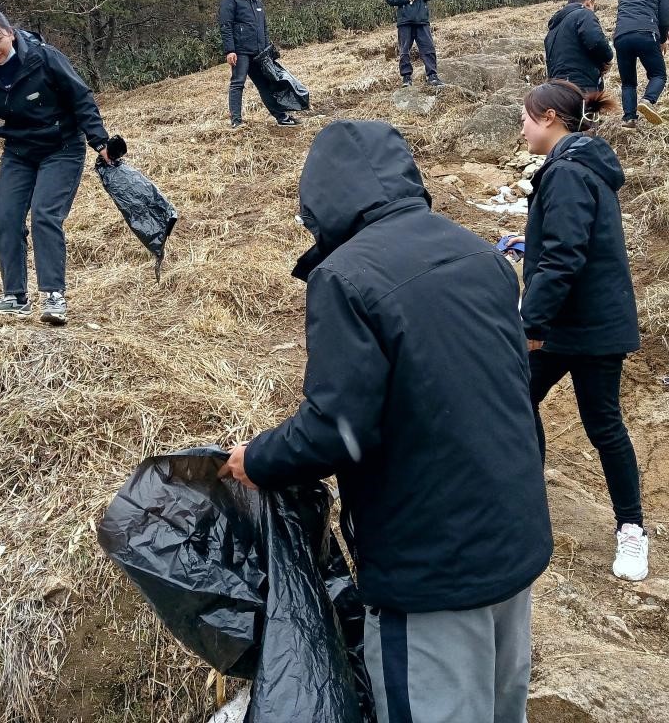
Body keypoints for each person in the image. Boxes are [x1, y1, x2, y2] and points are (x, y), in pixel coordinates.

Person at [218, 120, 552, 723]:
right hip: (513, 534)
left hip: (429, 564)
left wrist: (257, 458)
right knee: (503, 709)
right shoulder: (479, 253)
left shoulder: (345, 278)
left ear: (321, 201)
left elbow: (336, 428)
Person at [517, 79, 648, 582]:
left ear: (549, 117)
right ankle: (529, 498)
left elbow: (564, 255)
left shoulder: (569, 172)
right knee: (517, 400)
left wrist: (531, 322)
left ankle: (632, 530)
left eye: (527, 117)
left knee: (602, 424)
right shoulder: (579, 166)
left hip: (583, 327)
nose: (523, 127)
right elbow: (564, 245)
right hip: (580, 319)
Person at [0, 5, 115, 325]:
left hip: (62, 147)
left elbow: (81, 99)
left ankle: (54, 296)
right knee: (6, 218)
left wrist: (101, 142)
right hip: (19, 153)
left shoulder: (44, 57)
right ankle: (15, 297)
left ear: (10, 33)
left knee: (45, 214)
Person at [218, 0, 300, 130]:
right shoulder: (230, 0)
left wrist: (267, 50)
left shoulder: (257, 0)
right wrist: (230, 50)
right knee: (237, 83)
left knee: (265, 85)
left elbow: (263, 26)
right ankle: (236, 122)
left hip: (258, 53)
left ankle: (281, 117)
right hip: (240, 52)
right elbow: (226, 26)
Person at [613, 0, 669, 128]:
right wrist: (662, 40)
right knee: (658, 74)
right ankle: (648, 100)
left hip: (621, 37)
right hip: (646, 34)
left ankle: (629, 118)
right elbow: (664, 20)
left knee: (628, 82)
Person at [385, 0, 443, 87]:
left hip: (421, 20)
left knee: (428, 49)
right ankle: (406, 78)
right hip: (404, 21)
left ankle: (432, 76)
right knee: (404, 51)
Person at [544, 0, 613, 94]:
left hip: (556, 89)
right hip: (580, 85)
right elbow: (596, 41)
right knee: (582, 111)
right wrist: (607, 58)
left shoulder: (552, 29)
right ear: (589, 3)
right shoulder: (584, 13)